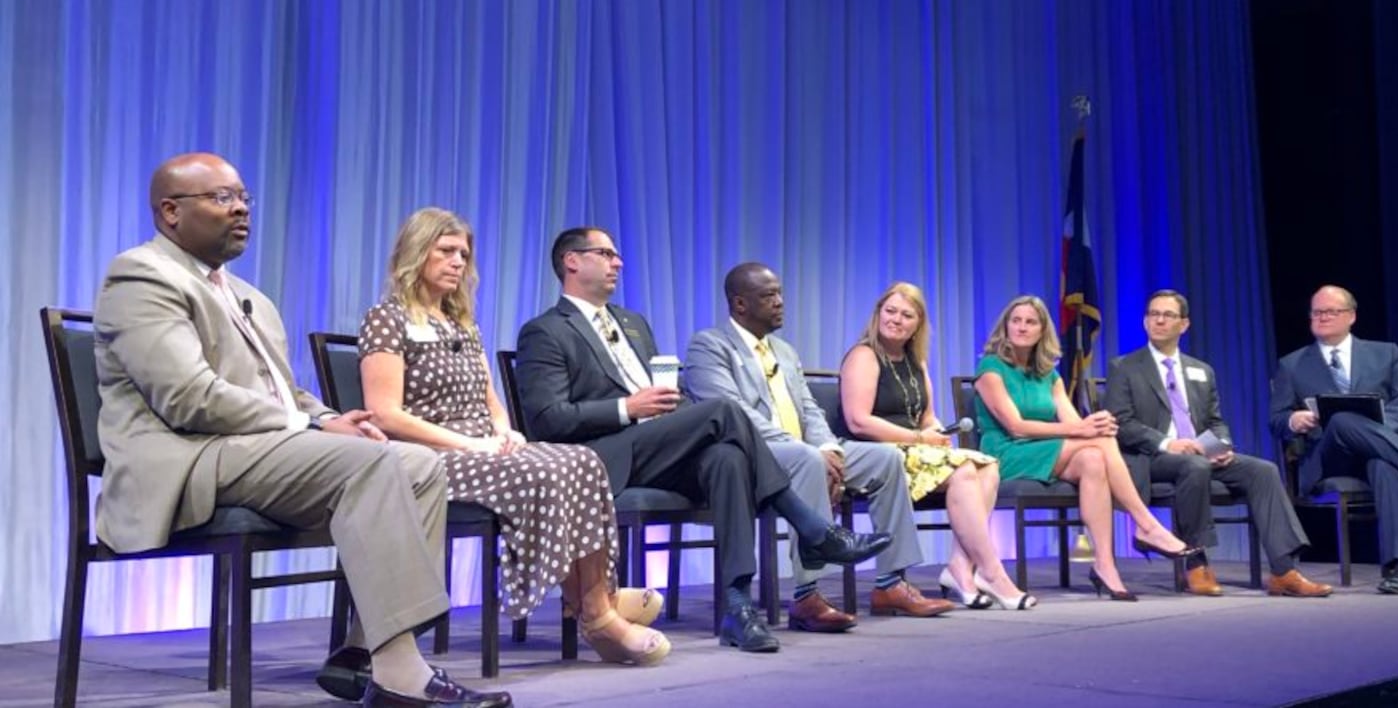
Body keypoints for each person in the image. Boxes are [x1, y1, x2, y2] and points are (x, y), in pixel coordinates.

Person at [93, 153, 509, 708]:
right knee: (377, 463)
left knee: (418, 464)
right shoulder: (141, 276)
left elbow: (283, 392)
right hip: (190, 457)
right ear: (171, 211)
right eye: (221, 197)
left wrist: (329, 419)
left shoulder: (249, 297)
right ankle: (400, 677)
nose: (241, 209)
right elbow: (189, 398)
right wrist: (305, 423)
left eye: (244, 197)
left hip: (256, 449)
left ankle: (364, 652)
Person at [515, 228, 892, 653]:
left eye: (616, 255)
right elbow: (547, 420)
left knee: (727, 458)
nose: (617, 262)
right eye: (605, 254)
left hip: (659, 449)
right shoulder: (545, 331)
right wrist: (627, 407)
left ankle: (737, 607)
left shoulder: (633, 324)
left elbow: (663, 392)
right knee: (724, 410)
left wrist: (670, 408)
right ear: (572, 261)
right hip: (601, 459)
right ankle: (814, 530)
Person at [358, 208, 668, 667]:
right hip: (429, 456)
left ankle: (594, 598)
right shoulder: (387, 319)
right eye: (446, 251)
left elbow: (490, 400)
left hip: (484, 449)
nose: (458, 262)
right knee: (543, 472)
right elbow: (386, 415)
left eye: (464, 254)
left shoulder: (461, 323)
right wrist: (471, 444)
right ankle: (600, 615)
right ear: (416, 252)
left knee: (582, 460)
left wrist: (505, 432)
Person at [683, 265, 951, 629]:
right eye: (769, 296)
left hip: (805, 450)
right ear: (740, 304)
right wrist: (809, 452)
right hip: (751, 454)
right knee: (806, 459)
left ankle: (892, 583)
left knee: (886, 459)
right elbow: (735, 414)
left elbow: (809, 410)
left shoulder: (785, 351)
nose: (780, 302)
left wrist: (830, 449)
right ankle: (807, 596)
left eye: (780, 293)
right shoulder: (709, 345)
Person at [1105, 290, 1332, 598]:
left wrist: (1220, 446)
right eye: (1153, 314)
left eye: (1168, 315)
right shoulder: (1124, 367)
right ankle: (1195, 562)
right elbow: (1121, 424)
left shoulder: (1202, 370)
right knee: (1194, 465)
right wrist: (1168, 443)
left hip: (1200, 454)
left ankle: (1284, 571)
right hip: (1152, 458)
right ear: (1145, 321)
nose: (1159, 320)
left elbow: (1215, 421)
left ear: (1184, 324)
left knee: (1263, 471)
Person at [973, 294, 1198, 602]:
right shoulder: (990, 367)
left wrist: (1097, 424)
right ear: (1006, 326)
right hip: (1005, 453)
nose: (1022, 327)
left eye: (1031, 322)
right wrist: (1085, 430)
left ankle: (1105, 564)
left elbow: (1074, 423)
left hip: (1043, 451)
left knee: (1093, 456)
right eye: (1016, 321)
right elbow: (1016, 426)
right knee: (1097, 442)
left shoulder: (1049, 374)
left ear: (1042, 330)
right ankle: (1145, 523)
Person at [839, 282, 1034, 611]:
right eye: (890, 311)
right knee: (963, 471)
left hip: (914, 449)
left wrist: (936, 433)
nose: (896, 320)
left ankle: (960, 567)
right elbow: (859, 421)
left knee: (986, 465)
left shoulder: (916, 361)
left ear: (918, 324)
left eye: (907, 315)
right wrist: (919, 438)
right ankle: (993, 573)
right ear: (877, 314)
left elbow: (927, 417)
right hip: (876, 453)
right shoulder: (864, 356)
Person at [1270, 285, 1398, 595]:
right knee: (1340, 420)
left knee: (1384, 464)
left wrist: (1376, 431)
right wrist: (1292, 419)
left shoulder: (1386, 353)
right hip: (1329, 456)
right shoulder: (1292, 364)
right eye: (1316, 312)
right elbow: (1276, 419)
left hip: (1384, 452)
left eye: (1331, 311)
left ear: (1351, 316)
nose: (1322, 317)